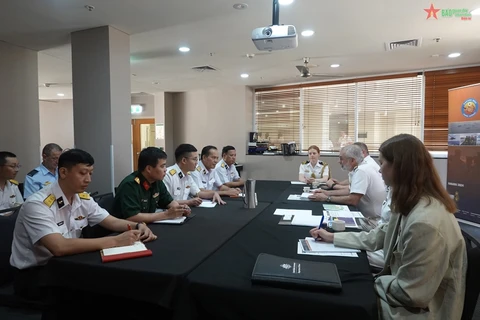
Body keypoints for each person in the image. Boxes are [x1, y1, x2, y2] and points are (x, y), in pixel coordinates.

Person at [310, 134, 466, 320]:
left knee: (332, 303)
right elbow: (379, 236)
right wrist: (332, 238)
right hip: (401, 291)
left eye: (382, 163)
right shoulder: (411, 203)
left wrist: (371, 281)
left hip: (420, 312)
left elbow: (410, 294)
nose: (379, 170)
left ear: (399, 168)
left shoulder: (425, 222)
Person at [10, 149, 156, 299]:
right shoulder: (37, 204)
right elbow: (59, 247)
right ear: (64, 172)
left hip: (68, 265)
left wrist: (138, 226)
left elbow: (111, 221)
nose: (88, 179)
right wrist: (116, 241)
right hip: (36, 275)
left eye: (90, 173)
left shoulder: (82, 198)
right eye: (82, 173)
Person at [310, 144, 385, 223]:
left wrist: (326, 198)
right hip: (367, 216)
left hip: (372, 221)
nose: (339, 161)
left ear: (352, 160)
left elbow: (353, 200)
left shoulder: (362, 171)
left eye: (341, 159)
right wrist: (326, 193)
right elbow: (350, 190)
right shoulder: (361, 167)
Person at [112, 147, 190, 223]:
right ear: (149, 169)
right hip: (126, 231)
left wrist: (179, 209)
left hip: (147, 226)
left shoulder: (157, 181)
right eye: (162, 166)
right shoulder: (130, 185)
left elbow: (168, 201)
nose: (165, 169)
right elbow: (132, 217)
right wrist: (166, 215)